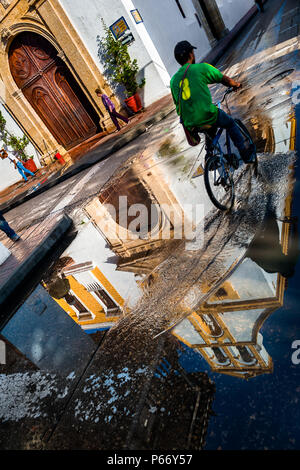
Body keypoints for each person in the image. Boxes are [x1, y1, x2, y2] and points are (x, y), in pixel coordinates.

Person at [170, 41, 255, 163]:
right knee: (230, 123)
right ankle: (245, 154)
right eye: (192, 52)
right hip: (206, 114)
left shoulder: (173, 81)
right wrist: (236, 84)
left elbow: (177, 104)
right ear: (190, 54)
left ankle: (209, 157)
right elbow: (223, 79)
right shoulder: (201, 68)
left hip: (189, 123)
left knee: (210, 129)